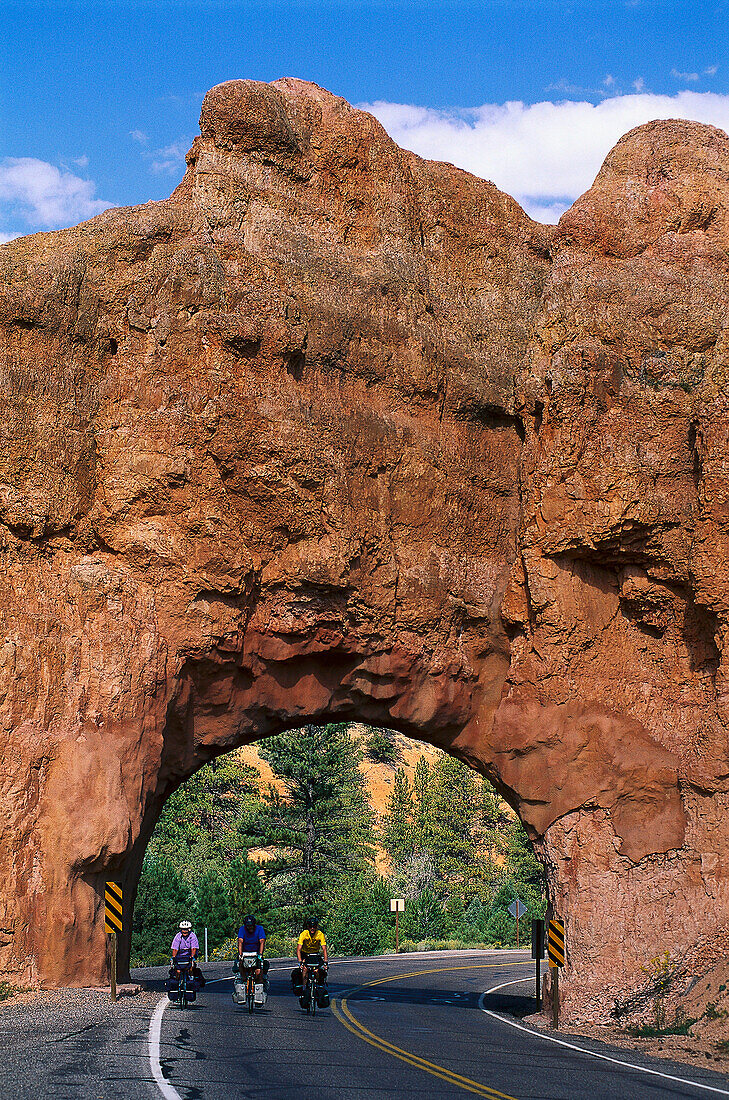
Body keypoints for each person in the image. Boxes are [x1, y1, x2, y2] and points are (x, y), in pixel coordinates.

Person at [295, 917, 328, 1007]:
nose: (312, 928)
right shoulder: (304, 934)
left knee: (318, 970)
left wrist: (325, 962)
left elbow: (324, 949)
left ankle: (317, 985)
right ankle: (304, 988)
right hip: (305, 954)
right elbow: (298, 949)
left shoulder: (320, 934)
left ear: (316, 927)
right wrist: (300, 962)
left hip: (315, 955)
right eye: (310, 926)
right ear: (308, 927)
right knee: (305, 970)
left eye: (314, 927)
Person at [237, 914, 269, 989]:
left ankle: (260, 985)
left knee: (259, 971)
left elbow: (262, 941)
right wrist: (240, 954)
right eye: (248, 926)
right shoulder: (242, 929)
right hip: (245, 953)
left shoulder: (259, 929)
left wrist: (260, 954)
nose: (249, 927)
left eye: (251, 926)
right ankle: (243, 980)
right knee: (240, 963)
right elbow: (240, 941)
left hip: (256, 953)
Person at [170, 919, 205, 988]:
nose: (184, 931)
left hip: (189, 954)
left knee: (190, 967)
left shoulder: (192, 936)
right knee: (178, 970)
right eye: (183, 929)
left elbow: (194, 948)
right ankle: (176, 983)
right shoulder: (178, 936)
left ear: (189, 929)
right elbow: (175, 948)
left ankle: (191, 978)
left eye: (186, 929)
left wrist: (192, 957)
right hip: (180, 955)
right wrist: (173, 958)